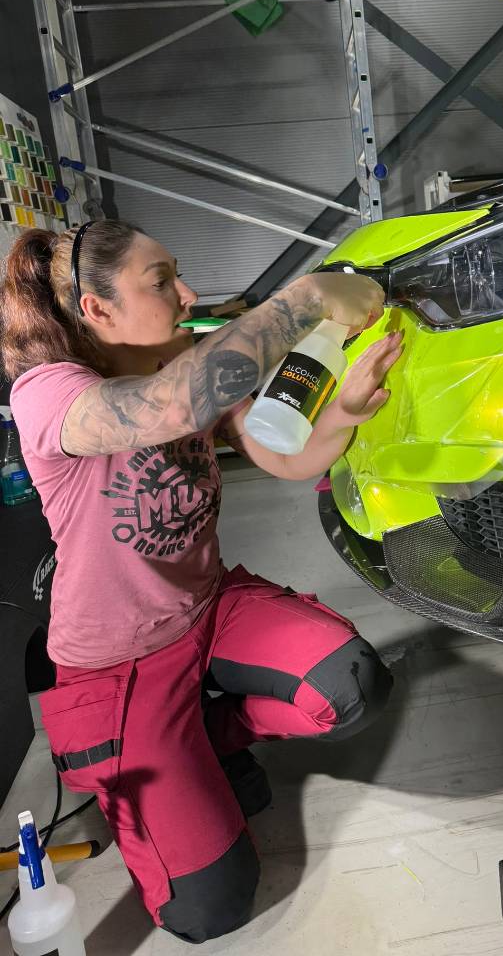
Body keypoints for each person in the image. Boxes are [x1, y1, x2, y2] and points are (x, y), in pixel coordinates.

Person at [0, 220, 402, 943]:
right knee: (207, 910)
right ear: (97, 309)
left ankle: (203, 737)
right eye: (162, 282)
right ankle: (164, 748)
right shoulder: (49, 392)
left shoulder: (183, 357)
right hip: (118, 664)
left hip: (208, 607)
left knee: (353, 684)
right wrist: (307, 297)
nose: (188, 295)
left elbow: (284, 458)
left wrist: (344, 411)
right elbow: (170, 407)